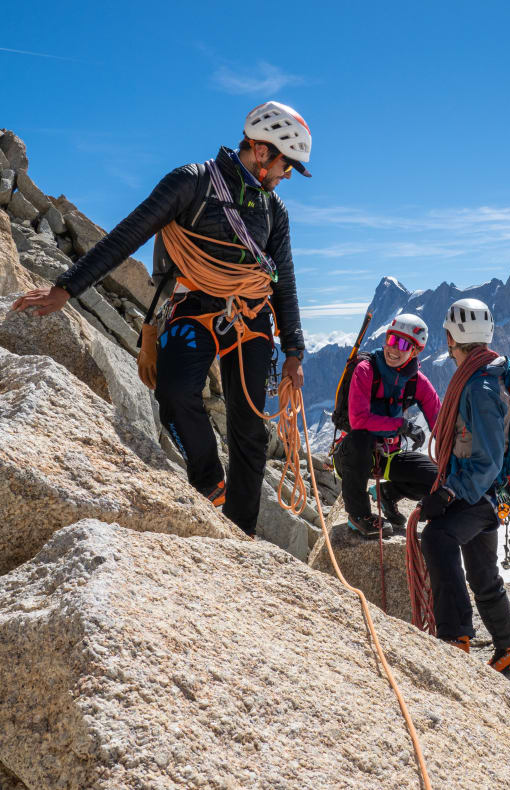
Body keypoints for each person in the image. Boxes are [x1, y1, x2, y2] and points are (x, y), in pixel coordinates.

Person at [11, 101, 310, 537]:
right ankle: (209, 482)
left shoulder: (273, 211)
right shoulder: (192, 182)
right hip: (194, 304)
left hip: (251, 316)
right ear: (262, 152)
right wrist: (66, 287)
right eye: (287, 166)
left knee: (249, 429)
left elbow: (284, 280)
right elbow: (129, 233)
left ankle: (240, 534)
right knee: (173, 391)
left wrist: (295, 352)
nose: (287, 177)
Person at [419, 298, 510, 673]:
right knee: (483, 573)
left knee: (437, 538)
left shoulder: (479, 386)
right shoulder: (489, 373)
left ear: (452, 336)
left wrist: (449, 492)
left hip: (480, 492)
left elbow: (487, 460)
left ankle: (455, 640)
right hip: (491, 492)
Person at [334, 314, 441, 538]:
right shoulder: (365, 370)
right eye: (391, 340)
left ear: (415, 351)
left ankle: (388, 493)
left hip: (388, 457)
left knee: (438, 479)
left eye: (403, 344)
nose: (394, 349)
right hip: (352, 456)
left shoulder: (417, 382)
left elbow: (439, 421)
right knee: (360, 438)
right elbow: (359, 421)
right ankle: (359, 515)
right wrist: (401, 425)